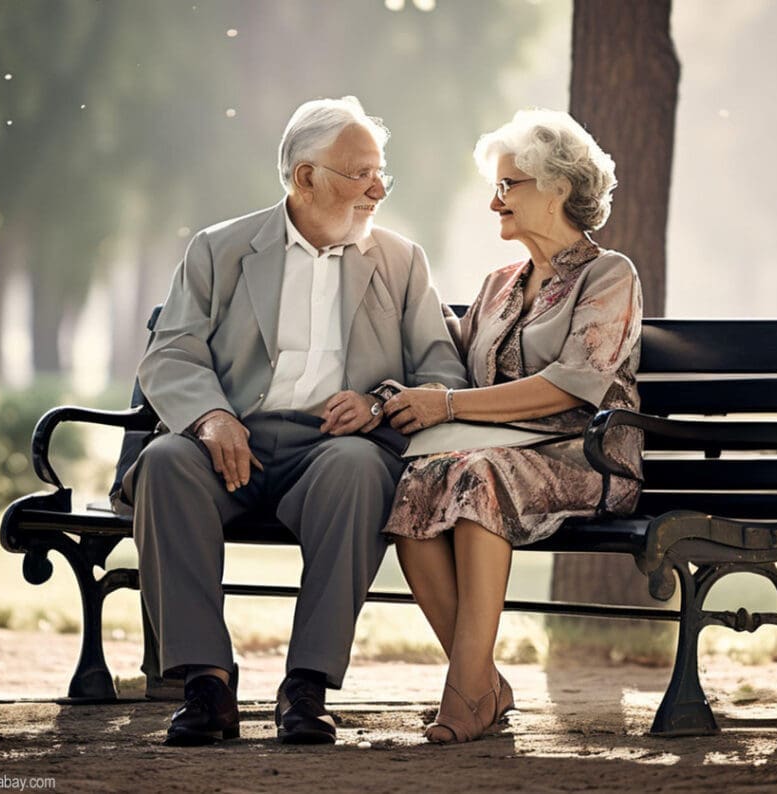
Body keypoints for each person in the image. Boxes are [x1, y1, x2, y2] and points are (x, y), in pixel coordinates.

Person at [122, 96, 467, 746]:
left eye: (381, 171)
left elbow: (442, 371)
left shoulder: (400, 261)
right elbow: (170, 352)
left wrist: (377, 402)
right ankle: (208, 684)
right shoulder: (219, 249)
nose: (378, 187)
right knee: (164, 463)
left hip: (335, 447)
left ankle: (306, 688)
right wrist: (211, 416)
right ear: (305, 177)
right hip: (232, 442)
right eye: (360, 172)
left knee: (362, 471)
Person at [381, 109, 643, 744]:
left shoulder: (610, 275)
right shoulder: (498, 284)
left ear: (557, 189)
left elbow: (570, 382)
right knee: (417, 485)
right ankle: (480, 682)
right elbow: (451, 366)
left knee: (475, 476)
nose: (494, 198)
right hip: (497, 455)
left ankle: (465, 693)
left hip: (585, 460)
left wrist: (446, 407)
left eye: (509, 184)